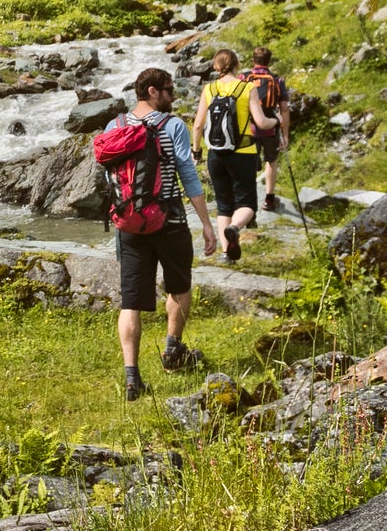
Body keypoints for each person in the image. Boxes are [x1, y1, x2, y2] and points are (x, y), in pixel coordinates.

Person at [109, 66, 218, 401]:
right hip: (169, 220)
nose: (173, 95)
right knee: (179, 285)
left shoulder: (115, 125)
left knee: (131, 302)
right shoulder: (172, 126)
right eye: (169, 90)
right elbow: (187, 173)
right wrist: (207, 222)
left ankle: (132, 378)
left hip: (128, 223)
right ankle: (172, 350)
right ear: (153, 91)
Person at [193, 48, 263, 264]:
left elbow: (197, 125)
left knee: (224, 204)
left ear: (216, 66)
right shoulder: (247, 87)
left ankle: (226, 254)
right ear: (236, 64)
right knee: (247, 203)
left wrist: (196, 151)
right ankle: (235, 228)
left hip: (216, 155)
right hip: (242, 153)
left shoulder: (210, 88)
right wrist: (276, 121)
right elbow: (260, 122)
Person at [241, 46, 292, 217]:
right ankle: (269, 199)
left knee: (248, 165)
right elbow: (284, 109)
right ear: (269, 61)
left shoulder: (244, 78)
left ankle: (248, 203)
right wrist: (285, 135)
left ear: (253, 60)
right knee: (271, 161)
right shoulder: (277, 80)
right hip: (270, 128)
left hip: (249, 129)